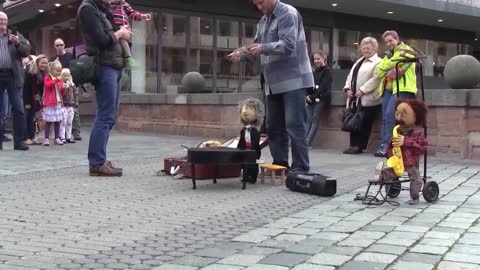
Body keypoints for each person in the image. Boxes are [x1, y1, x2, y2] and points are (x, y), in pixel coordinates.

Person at [227, 0, 313, 173]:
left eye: (261, 3)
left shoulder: (287, 13)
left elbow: (288, 45)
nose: (259, 7)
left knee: (294, 126)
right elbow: (255, 49)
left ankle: (301, 167)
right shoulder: (263, 21)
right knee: (274, 127)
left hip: (293, 80)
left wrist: (263, 48)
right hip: (272, 83)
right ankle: (280, 164)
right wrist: (242, 55)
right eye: (256, 4)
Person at [78, 0, 132, 176]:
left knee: (110, 117)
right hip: (104, 66)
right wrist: (119, 34)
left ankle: (99, 159)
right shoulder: (87, 9)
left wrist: (124, 33)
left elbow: (114, 34)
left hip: (114, 66)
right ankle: (96, 162)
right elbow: (101, 40)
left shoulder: (102, 9)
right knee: (104, 116)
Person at [374, 30, 417, 157]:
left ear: (397, 39)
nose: (388, 43)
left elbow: (393, 62)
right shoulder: (389, 54)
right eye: (386, 42)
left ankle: (390, 145)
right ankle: (384, 144)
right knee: (385, 117)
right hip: (389, 88)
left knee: (390, 115)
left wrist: (387, 65)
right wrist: (388, 66)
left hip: (403, 87)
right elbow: (378, 71)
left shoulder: (405, 49)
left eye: (391, 41)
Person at [343, 37, 382, 154]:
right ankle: (352, 145)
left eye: (368, 48)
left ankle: (359, 146)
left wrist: (363, 90)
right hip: (355, 98)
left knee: (364, 123)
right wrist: (347, 88)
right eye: (363, 48)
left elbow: (376, 79)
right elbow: (350, 76)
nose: (365, 50)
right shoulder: (359, 61)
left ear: (374, 48)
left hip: (368, 98)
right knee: (353, 121)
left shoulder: (378, 62)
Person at [0, 11, 30, 151]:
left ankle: (19, 142)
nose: (3, 23)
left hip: (13, 76)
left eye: (5, 20)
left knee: (18, 109)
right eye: (1, 20)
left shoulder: (15, 35)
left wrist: (17, 43)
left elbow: (26, 52)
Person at [50, 38, 82, 141]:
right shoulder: (53, 58)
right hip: (58, 86)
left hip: (71, 83)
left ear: (64, 45)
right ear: (54, 46)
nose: (59, 47)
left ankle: (76, 132)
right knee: (61, 111)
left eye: (61, 45)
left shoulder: (70, 56)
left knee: (74, 110)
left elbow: (76, 69)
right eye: (57, 45)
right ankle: (60, 134)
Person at [110, 0, 151, 68]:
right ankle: (127, 57)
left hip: (124, 27)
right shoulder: (111, 4)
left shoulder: (125, 5)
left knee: (125, 41)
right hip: (115, 27)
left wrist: (142, 16)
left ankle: (126, 58)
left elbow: (133, 14)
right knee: (122, 42)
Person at [306, 50, 331, 148]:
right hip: (311, 99)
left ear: (324, 58)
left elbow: (323, 86)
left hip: (320, 99)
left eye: (318, 59)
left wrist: (312, 97)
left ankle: (308, 142)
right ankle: (304, 141)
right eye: (315, 59)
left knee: (314, 119)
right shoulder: (314, 71)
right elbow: (310, 85)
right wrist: (307, 95)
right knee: (308, 120)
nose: (316, 61)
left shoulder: (327, 71)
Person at [23, 54, 48, 145]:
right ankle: (25, 138)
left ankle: (32, 137)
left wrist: (39, 97)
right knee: (26, 118)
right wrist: (27, 102)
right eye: (42, 63)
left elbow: (39, 88)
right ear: (37, 62)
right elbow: (26, 88)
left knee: (32, 118)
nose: (44, 65)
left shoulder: (41, 72)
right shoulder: (30, 71)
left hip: (34, 98)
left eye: (46, 63)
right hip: (26, 97)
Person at [42, 60, 65, 146]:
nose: (58, 73)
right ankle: (46, 138)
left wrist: (64, 87)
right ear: (52, 69)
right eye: (57, 70)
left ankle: (57, 138)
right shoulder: (48, 77)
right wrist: (56, 80)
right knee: (48, 121)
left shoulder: (60, 79)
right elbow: (47, 85)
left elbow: (61, 92)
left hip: (58, 102)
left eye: (60, 71)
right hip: (50, 103)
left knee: (57, 121)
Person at [59, 68, 78, 144]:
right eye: (64, 75)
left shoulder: (72, 85)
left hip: (71, 105)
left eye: (68, 75)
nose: (66, 77)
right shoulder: (61, 84)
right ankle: (62, 137)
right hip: (63, 105)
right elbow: (60, 94)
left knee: (70, 122)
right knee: (63, 121)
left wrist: (76, 103)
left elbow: (75, 94)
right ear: (62, 76)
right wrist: (63, 88)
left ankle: (69, 137)